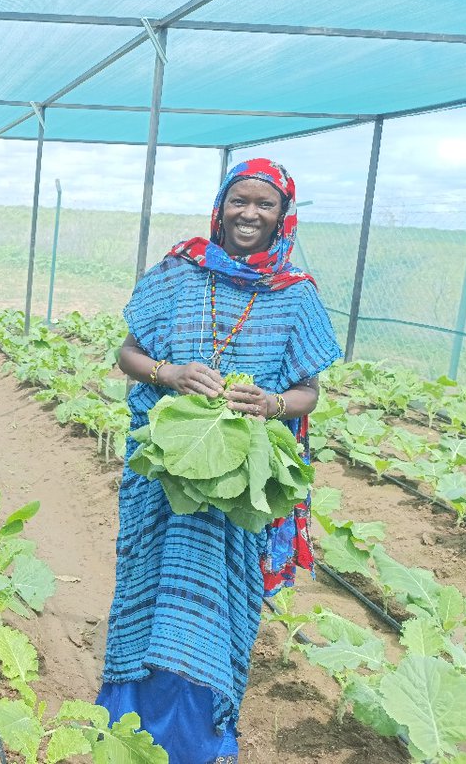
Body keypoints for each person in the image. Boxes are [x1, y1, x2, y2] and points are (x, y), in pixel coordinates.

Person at [96, 158, 341, 764]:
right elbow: (127, 352)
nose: (250, 214)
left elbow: (310, 390)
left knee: (218, 599)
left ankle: (197, 740)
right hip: (162, 473)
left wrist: (274, 402)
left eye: (265, 204)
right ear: (221, 205)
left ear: (283, 216)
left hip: (236, 486)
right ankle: (128, 725)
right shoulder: (179, 271)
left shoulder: (296, 294)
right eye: (240, 201)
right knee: (146, 589)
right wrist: (169, 374)